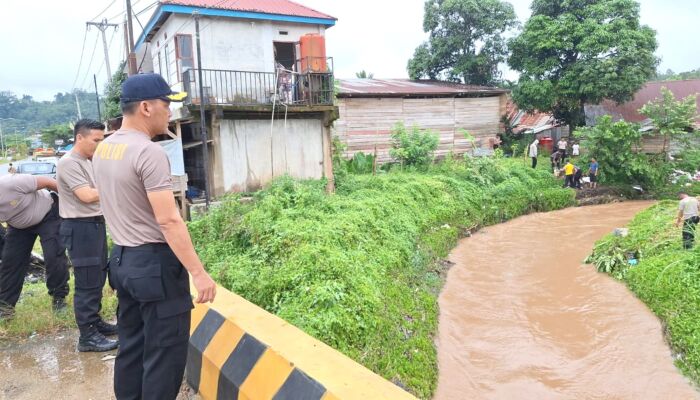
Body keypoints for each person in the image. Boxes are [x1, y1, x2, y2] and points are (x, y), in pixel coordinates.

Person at [92, 73, 216, 400]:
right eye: (166, 104)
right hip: (155, 267)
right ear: (146, 107)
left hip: (122, 260)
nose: (170, 112)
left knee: (132, 348)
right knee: (165, 356)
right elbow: (170, 221)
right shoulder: (149, 153)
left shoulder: (104, 149)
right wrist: (199, 273)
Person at [57, 119, 118, 352]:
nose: (99, 145)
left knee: (97, 276)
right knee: (87, 282)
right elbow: (86, 195)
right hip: (79, 228)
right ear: (79, 138)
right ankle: (87, 336)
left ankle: (94, 322)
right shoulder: (69, 163)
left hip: (93, 225)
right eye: (96, 140)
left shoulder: (88, 160)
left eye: (102, 140)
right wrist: (118, 187)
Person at [0, 174, 69, 320]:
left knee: (53, 256)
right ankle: (6, 308)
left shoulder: (10, 184)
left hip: (47, 215)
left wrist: (70, 199)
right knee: (10, 262)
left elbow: (48, 181)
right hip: (18, 226)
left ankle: (59, 298)